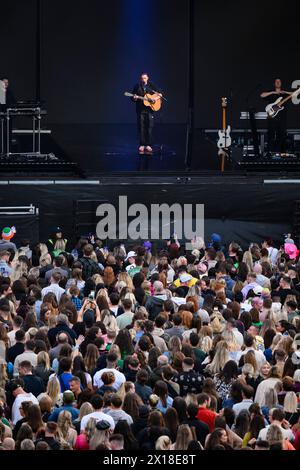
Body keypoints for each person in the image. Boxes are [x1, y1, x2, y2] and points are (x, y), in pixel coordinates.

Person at [131, 72, 162, 155]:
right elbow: (132, 98)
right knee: (141, 127)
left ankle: (148, 144)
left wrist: (154, 99)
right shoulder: (137, 86)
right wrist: (134, 98)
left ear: (147, 78)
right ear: (140, 79)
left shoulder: (151, 85)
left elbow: (160, 94)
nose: (143, 80)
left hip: (150, 110)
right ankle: (142, 144)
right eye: (142, 78)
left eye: (144, 78)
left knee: (149, 127)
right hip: (140, 110)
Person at [260, 78, 292, 154]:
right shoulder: (271, 93)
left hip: (282, 119)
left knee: (281, 136)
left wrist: (285, 92)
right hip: (272, 118)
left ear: (281, 83)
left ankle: (280, 154)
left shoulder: (284, 94)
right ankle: (270, 153)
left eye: (279, 81)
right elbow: (262, 95)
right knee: (271, 135)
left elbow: (294, 94)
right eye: (276, 81)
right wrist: (272, 92)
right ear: (274, 84)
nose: (278, 82)